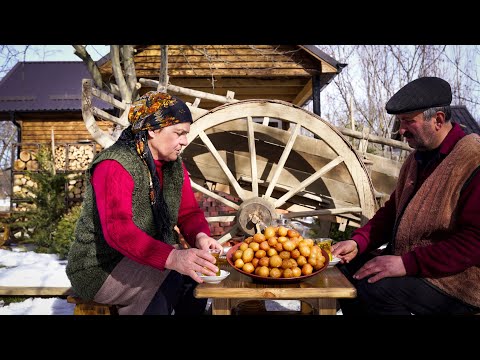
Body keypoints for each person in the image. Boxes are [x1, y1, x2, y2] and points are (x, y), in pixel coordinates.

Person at [332, 77, 480, 315]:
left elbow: (475, 241)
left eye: (408, 122)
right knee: (345, 271)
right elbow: (393, 211)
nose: (400, 131)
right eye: (400, 122)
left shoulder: (473, 158)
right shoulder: (416, 159)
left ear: (438, 121)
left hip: (460, 278)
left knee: (376, 289)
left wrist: (406, 264)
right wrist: (358, 242)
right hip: (413, 262)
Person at [66, 91, 223, 315]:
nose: (185, 141)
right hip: (100, 267)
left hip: (143, 257)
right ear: (152, 129)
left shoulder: (173, 166)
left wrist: (201, 236)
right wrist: (173, 257)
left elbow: (187, 212)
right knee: (168, 282)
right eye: (178, 133)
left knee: (196, 277)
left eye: (185, 134)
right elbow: (118, 231)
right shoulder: (115, 165)